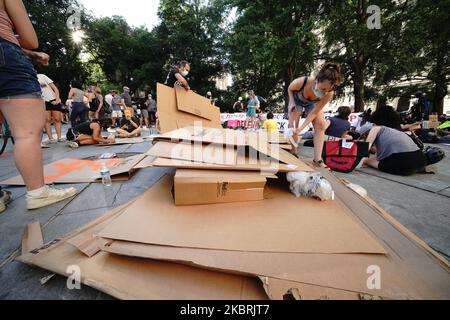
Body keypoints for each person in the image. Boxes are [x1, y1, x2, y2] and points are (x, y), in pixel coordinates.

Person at [0, 0, 77, 210]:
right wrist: (30, 50)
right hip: (6, 57)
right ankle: (37, 192)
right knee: (26, 134)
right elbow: (30, 39)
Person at [287, 62, 343, 167]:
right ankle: (293, 152)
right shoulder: (302, 81)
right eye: (322, 89)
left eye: (327, 90)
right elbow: (290, 88)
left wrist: (302, 128)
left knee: (321, 125)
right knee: (293, 126)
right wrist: (292, 103)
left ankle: (318, 159)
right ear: (316, 81)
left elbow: (314, 113)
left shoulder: (329, 93)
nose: (324, 92)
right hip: (296, 99)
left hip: (312, 104)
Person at [360, 124, 427, 176]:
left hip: (405, 165)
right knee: (372, 159)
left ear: (366, 133)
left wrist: (360, 161)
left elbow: (365, 147)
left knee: (366, 161)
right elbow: (379, 154)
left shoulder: (375, 129)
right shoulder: (391, 132)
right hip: (421, 160)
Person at [38, 73, 64, 143]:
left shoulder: (42, 76)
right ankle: (51, 138)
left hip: (53, 99)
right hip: (43, 102)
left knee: (57, 119)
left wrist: (57, 100)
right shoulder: (29, 79)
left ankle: (59, 137)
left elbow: (55, 88)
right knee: (47, 120)